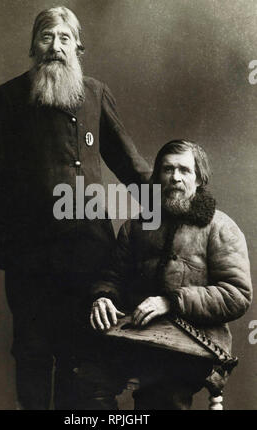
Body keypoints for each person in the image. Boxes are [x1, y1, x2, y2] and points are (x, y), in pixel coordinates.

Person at [0, 6, 151, 410]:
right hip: (31, 260)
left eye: (65, 38)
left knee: (81, 358)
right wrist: (12, 236)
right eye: (47, 37)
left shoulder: (96, 94)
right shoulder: (8, 98)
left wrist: (173, 203)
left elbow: (132, 167)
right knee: (32, 353)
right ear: (34, 46)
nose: (55, 46)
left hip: (91, 257)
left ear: (78, 47)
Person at [89, 139, 252, 410]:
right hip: (138, 336)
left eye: (184, 170)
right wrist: (103, 297)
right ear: (158, 177)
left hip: (193, 343)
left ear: (199, 179)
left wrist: (170, 301)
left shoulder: (221, 227)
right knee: (86, 379)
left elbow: (237, 295)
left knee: (160, 394)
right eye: (167, 169)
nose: (175, 177)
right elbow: (112, 276)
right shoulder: (136, 227)